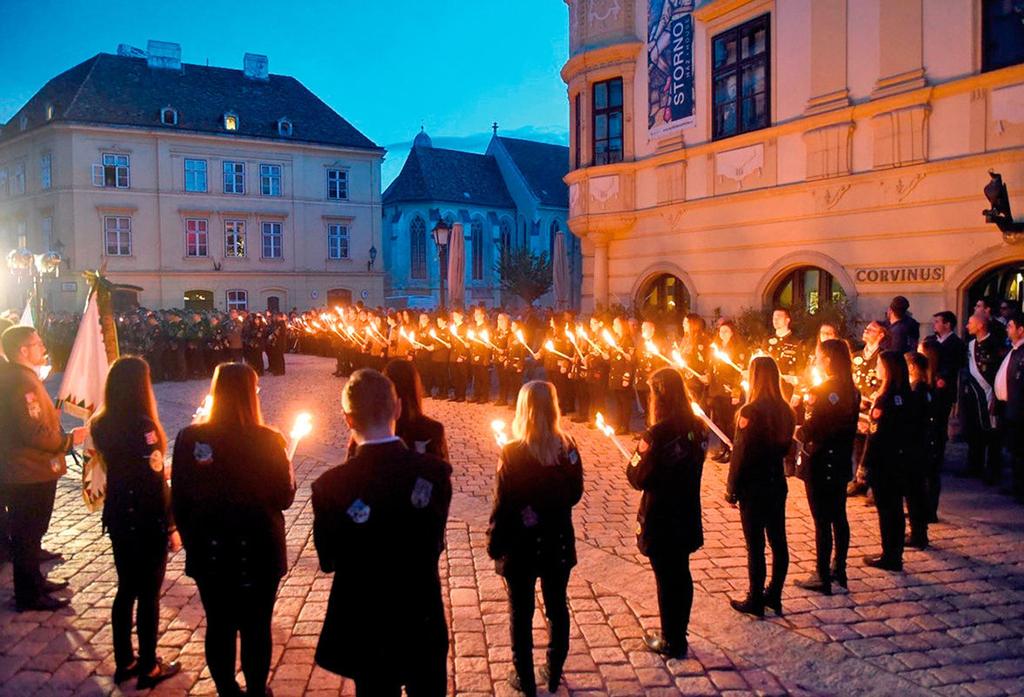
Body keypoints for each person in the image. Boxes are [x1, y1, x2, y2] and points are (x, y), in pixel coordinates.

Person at [312, 369, 452, 697]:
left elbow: (329, 559)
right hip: (421, 616)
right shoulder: (434, 474)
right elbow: (433, 542)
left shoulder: (330, 486)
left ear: (348, 419)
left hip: (366, 622)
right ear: (398, 408)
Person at [172, 363, 295, 697]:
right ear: (250, 394)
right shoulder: (269, 439)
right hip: (258, 547)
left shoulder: (189, 437)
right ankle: (256, 689)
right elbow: (283, 498)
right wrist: (289, 470)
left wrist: (192, 539)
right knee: (256, 625)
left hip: (210, 549)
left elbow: (179, 498)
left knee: (220, 624)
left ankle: (227, 688)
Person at [487, 381, 584, 696]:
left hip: (522, 544)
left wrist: (495, 543)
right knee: (557, 606)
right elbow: (574, 494)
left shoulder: (513, 452)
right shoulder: (567, 448)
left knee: (522, 611)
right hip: (556, 540)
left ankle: (525, 677)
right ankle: (554, 671)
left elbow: (503, 504)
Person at [90, 357, 181, 688]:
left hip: (118, 514)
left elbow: (131, 468)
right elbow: (152, 482)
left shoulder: (101, 422)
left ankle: (124, 659)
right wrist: (171, 525)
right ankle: (148, 666)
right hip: (145, 518)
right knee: (149, 593)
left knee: (125, 588)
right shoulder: (144, 426)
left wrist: (160, 469)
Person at [0, 326, 86, 611]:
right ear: (22, 350)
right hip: (28, 471)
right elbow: (32, 431)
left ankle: (35, 581)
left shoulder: (20, 377)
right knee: (27, 534)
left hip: (28, 469)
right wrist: (69, 440)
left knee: (32, 533)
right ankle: (28, 594)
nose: (43, 348)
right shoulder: (21, 381)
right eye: (36, 344)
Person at [627, 367, 706, 659]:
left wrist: (637, 463)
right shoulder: (697, 425)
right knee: (681, 573)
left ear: (658, 395)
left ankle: (671, 639)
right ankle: (679, 631)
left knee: (666, 578)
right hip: (686, 510)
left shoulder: (657, 433)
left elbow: (637, 477)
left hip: (662, 515)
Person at [724, 356, 794, 617]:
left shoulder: (750, 411)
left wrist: (731, 488)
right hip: (776, 481)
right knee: (778, 540)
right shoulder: (785, 410)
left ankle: (756, 597)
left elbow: (740, 454)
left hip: (754, 486)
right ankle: (774, 594)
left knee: (755, 545)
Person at [794, 339, 859, 595]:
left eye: (819, 355)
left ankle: (822, 574)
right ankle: (838, 568)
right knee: (839, 515)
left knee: (822, 519)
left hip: (821, 460)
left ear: (829, 359)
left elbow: (813, 428)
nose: (817, 359)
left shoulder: (821, 390)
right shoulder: (852, 389)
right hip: (841, 458)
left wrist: (798, 431)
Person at [862, 351, 919, 572]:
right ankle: (895, 553)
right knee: (895, 508)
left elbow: (877, 435)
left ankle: (890, 555)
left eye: (879, 364)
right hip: (902, 459)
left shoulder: (885, 398)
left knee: (887, 510)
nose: (876, 368)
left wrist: (865, 464)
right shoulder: (908, 394)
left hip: (884, 462)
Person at [960, 312, 1005, 482]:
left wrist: (995, 394)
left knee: (992, 433)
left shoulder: (994, 344)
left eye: (970, 323)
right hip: (973, 393)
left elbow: (997, 371)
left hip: (989, 393)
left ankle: (993, 471)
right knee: (974, 430)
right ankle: (974, 466)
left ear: (980, 325)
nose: (967, 326)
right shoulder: (970, 344)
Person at [904, 352, 934, 549]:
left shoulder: (917, 390)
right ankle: (919, 530)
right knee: (918, 491)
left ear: (913, 368)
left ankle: (918, 533)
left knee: (915, 492)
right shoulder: (925, 389)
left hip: (915, 447)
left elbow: (911, 420)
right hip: (923, 445)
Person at [995, 311, 1024, 501]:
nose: (1007, 329)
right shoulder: (1014, 349)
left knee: (1020, 451)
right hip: (1010, 409)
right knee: (1014, 450)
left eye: (1010, 326)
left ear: (1021, 330)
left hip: (1019, 410)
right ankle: (1016, 485)